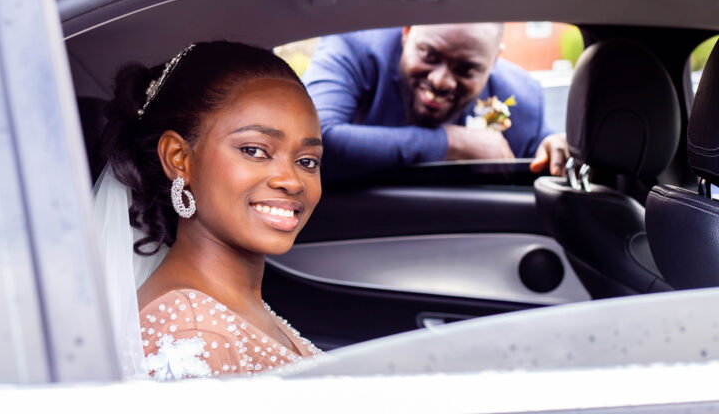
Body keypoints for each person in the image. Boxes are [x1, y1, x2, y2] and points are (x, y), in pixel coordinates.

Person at [97, 41, 324, 379]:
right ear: (179, 158)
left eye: (307, 161)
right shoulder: (190, 331)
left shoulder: (228, 306)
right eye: (255, 150)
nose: (292, 181)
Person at [303, 24, 568, 181]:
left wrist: (555, 149)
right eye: (429, 55)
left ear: (494, 61)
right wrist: (452, 143)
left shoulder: (523, 96)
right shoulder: (353, 48)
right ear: (407, 32)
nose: (441, 81)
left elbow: (542, 159)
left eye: (466, 69)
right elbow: (312, 140)